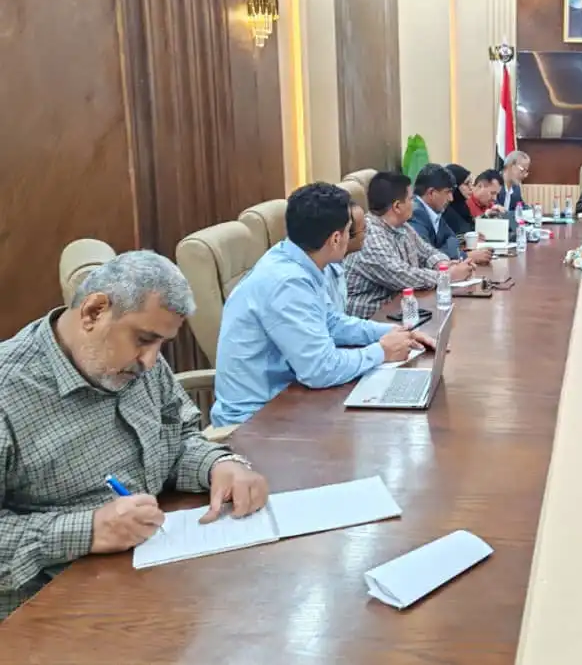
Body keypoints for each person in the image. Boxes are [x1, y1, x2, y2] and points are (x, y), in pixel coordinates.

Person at [0, 251, 269, 619]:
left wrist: (218, 465)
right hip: (49, 611)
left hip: (150, 577)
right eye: (144, 339)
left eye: (161, 344)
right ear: (94, 311)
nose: (150, 361)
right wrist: (87, 530)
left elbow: (178, 438)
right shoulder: (8, 391)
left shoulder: (138, 364)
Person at [213, 183, 431, 426]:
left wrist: (393, 332)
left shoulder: (298, 259)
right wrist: (382, 351)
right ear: (336, 238)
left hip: (291, 399)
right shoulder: (287, 282)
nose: (352, 238)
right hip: (255, 420)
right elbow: (319, 369)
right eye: (349, 232)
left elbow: (331, 322)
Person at [346, 171, 474, 318]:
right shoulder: (370, 235)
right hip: (370, 317)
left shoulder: (403, 226)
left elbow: (427, 252)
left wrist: (444, 264)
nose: (414, 203)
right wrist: (448, 276)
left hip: (398, 309)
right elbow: (403, 275)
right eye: (410, 199)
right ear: (397, 206)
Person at [408, 163, 492, 265]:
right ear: (431, 193)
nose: (451, 198)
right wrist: (465, 256)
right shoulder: (414, 214)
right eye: (447, 192)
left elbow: (453, 240)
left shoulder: (435, 211)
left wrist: (446, 249)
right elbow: (426, 256)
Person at [442, 163, 476, 235]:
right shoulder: (445, 212)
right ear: (455, 186)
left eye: (471, 183)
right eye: (466, 183)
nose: (471, 188)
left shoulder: (463, 208)